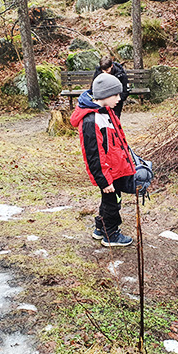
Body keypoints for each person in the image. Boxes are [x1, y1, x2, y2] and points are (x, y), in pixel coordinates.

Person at [70, 73, 136, 247]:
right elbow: (94, 155)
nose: (119, 98)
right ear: (106, 95)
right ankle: (111, 234)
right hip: (107, 173)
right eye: (116, 95)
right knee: (112, 202)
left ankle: (101, 228)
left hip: (114, 169)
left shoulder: (106, 112)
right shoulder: (92, 120)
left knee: (110, 200)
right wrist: (104, 180)